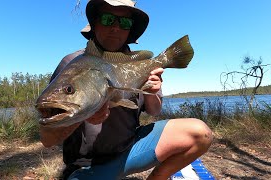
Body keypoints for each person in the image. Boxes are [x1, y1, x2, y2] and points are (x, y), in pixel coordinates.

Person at [40, 0, 213, 179]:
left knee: (200, 133)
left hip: (130, 152)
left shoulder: (139, 64)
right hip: (87, 166)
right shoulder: (71, 64)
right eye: (108, 19)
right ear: (94, 23)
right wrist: (83, 114)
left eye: (124, 22)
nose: (115, 27)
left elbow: (154, 111)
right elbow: (47, 140)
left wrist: (152, 92)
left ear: (130, 29)